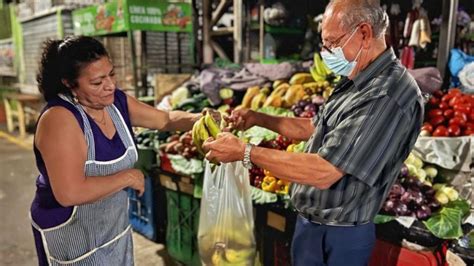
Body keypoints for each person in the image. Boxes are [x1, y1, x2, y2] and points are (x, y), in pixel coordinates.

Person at [203, 0, 424, 265]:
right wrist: (257, 118)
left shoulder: (386, 95)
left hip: (341, 235)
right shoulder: (358, 78)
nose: (326, 52)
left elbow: (325, 171)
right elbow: (313, 127)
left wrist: (245, 152)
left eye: (332, 42)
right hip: (312, 225)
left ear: (364, 33)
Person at [30, 36, 201, 265]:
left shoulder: (116, 103)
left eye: (111, 74)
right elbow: (70, 192)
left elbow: (166, 119)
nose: (110, 85)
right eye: (97, 82)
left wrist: (203, 118)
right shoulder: (60, 119)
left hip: (113, 230)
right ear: (69, 83)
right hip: (71, 240)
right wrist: (128, 177)